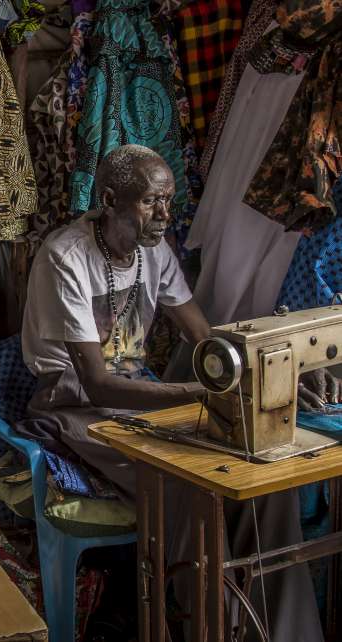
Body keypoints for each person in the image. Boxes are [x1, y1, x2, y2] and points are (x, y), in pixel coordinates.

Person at [20, 145, 337, 642]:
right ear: (108, 200)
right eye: (151, 202)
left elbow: (207, 341)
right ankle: (208, 628)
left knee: (265, 473)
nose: (165, 214)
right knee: (190, 487)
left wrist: (270, 370)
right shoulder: (66, 257)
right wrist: (204, 395)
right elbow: (98, 384)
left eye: (168, 199)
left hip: (136, 389)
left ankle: (287, 631)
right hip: (74, 405)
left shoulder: (154, 249)